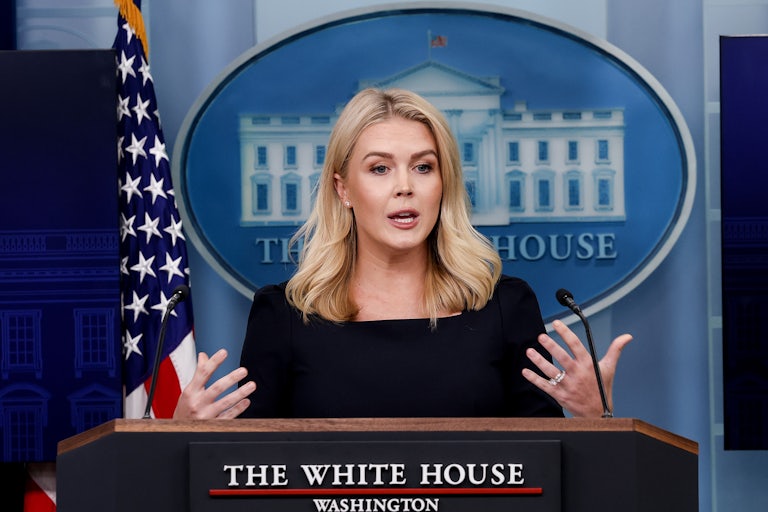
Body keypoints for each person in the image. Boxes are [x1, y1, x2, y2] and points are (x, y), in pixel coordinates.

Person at [173, 88, 632, 421]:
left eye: (423, 166)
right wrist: (180, 435)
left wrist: (596, 417)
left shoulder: (505, 307)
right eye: (379, 168)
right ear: (343, 189)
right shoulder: (285, 315)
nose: (405, 186)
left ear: (443, 184)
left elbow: (548, 470)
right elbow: (249, 472)